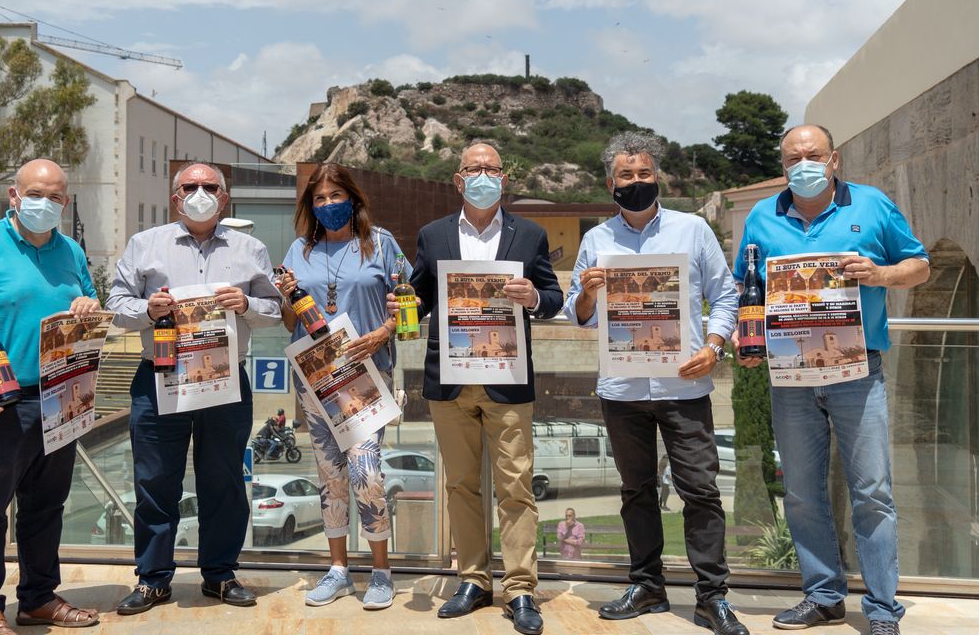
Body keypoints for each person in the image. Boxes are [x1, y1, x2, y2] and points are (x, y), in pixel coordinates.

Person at [733, 124, 929, 635]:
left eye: (813, 154)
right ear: (783, 165)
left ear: (834, 159)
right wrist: (743, 331)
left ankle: (884, 610)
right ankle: (823, 597)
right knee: (800, 491)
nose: (804, 163)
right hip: (790, 375)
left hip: (857, 370)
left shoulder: (871, 205)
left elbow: (921, 266)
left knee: (872, 491)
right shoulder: (761, 216)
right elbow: (744, 286)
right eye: (793, 157)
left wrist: (880, 274)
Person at [564, 132, 748, 635]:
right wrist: (586, 293)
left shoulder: (692, 231)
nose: (637, 182)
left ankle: (712, 598)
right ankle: (647, 586)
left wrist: (713, 346)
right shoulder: (596, 240)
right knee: (636, 492)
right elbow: (577, 317)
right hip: (622, 390)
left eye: (644, 173)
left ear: (657, 177)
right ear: (611, 183)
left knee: (701, 492)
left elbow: (725, 295)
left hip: (684, 388)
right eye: (627, 175)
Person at [108, 162, 282, 615]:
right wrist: (148, 308)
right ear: (175, 196)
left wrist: (246, 303)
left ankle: (220, 574)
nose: (200, 193)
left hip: (225, 378)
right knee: (154, 481)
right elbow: (116, 305)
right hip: (160, 375)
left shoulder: (251, 248)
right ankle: (153, 580)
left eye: (210, 187)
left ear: (224, 199)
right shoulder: (144, 245)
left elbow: (274, 310)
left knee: (223, 479)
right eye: (191, 186)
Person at [0, 159, 101, 635]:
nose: (44, 204)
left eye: (54, 197)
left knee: (47, 504)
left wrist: (90, 306)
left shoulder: (71, 251)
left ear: (65, 203)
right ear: (14, 195)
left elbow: (89, 306)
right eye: (35, 194)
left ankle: (38, 598)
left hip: (60, 393)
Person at [407, 142, 563, 635]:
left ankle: (520, 589)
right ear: (458, 179)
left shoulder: (531, 234)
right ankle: (472, 580)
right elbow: (419, 299)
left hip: (507, 379)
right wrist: (402, 305)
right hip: (449, 380)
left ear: (504, 178)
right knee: (461, 485)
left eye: (491, 169)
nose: (482, 175)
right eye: (473, 168)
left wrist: (533, 295)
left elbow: (555, 298)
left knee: (516, 488)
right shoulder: (432, 236)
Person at [277, 163, 407, 610]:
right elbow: (288, 320)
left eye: (336, 196)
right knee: (330, 476)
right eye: (319, 199)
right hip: (315, 380)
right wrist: (288, 296)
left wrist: (385, 331)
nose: (328, 204)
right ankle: (337, 570)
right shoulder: (299, 249)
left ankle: (382, 572)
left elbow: (409, 303)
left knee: (366, 473)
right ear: (310, 206)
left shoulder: (382, 243)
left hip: (366, 375)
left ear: (353, 198)